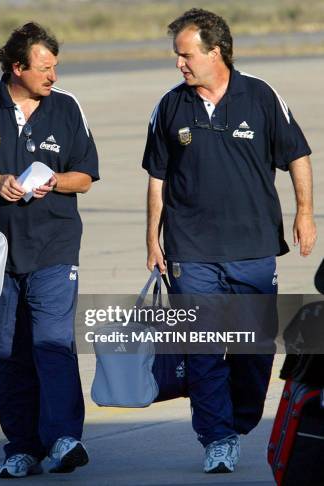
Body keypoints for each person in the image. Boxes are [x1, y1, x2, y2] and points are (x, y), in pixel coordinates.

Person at [142, 8, 317, 473]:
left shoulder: (260, 96)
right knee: (201, 348)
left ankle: (238, 421)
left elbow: (297, 155)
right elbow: (157, 177)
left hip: (254, 247)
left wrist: (304, 213)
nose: (179, 63)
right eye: (177, 55)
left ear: (214, 52)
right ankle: (217, 436)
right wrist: (152, 238)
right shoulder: (170, 105)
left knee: (254, 349)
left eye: (186, 54)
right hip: (189, 249)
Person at [0, 22, 99, 478]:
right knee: (4, 352)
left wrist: (55, 182)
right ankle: (22, 446)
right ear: (17, 67)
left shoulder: (66, 108)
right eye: (44, 68)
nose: (53, 75)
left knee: (53, 344)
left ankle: (64, 439)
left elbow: (84, 175)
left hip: (55, 246)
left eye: (55, 66)